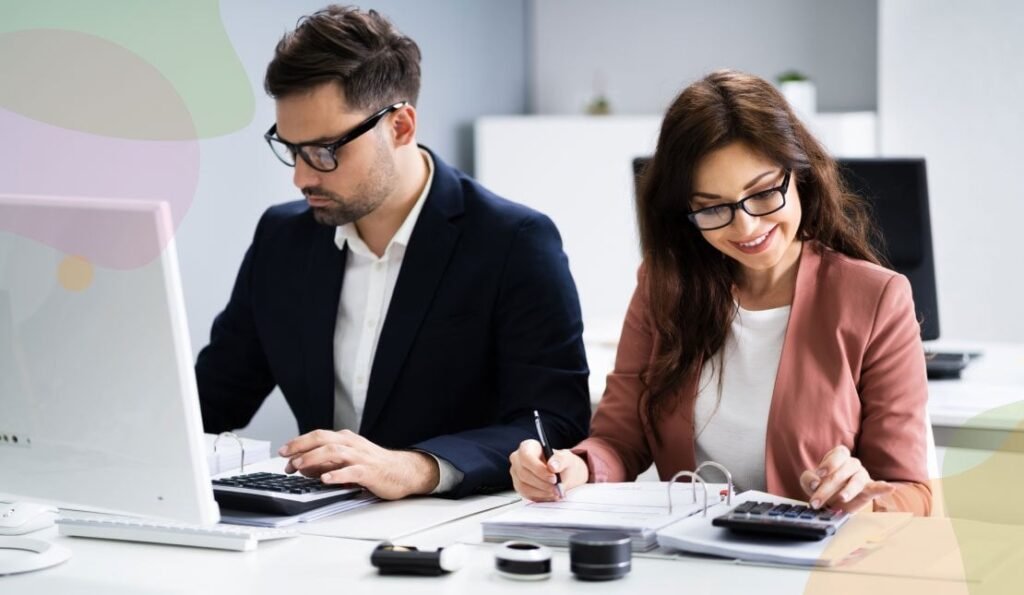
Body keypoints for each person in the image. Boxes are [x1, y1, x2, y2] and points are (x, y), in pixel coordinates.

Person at [196, 5, 590, 500]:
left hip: (455, 526)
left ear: (400, 126)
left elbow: (555, 421)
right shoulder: (281, 240)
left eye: (324, 151)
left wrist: (417, 467)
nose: (301, 177)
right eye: (292, 149)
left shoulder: (514, 241)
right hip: (313, 524)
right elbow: (211, 400)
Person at [510, 69, 932, 516]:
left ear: (800, 175)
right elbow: (619, 439)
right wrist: (571, 467)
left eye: (763, 193)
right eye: (713, 208)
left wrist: (861, 499)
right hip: (689, 546)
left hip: (812, 554)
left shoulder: (876, 297)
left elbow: (912, 492)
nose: (746, 226)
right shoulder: (663, 285)